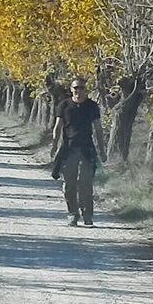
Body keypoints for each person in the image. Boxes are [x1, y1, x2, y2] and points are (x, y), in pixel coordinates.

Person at [50, 77, 106, 227]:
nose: (79, 91)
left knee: (86, 183)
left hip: (87, 150)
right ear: (71, 89)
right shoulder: (64, 105)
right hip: (69, 150)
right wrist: (54, 146)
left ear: (85, 89)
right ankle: (73, 213)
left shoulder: (92, 106)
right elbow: (57, 127)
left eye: (81, 88)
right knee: (69, 184)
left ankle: (87, 214)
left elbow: (98, 129)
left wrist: (102, 149)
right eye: (76, 88)